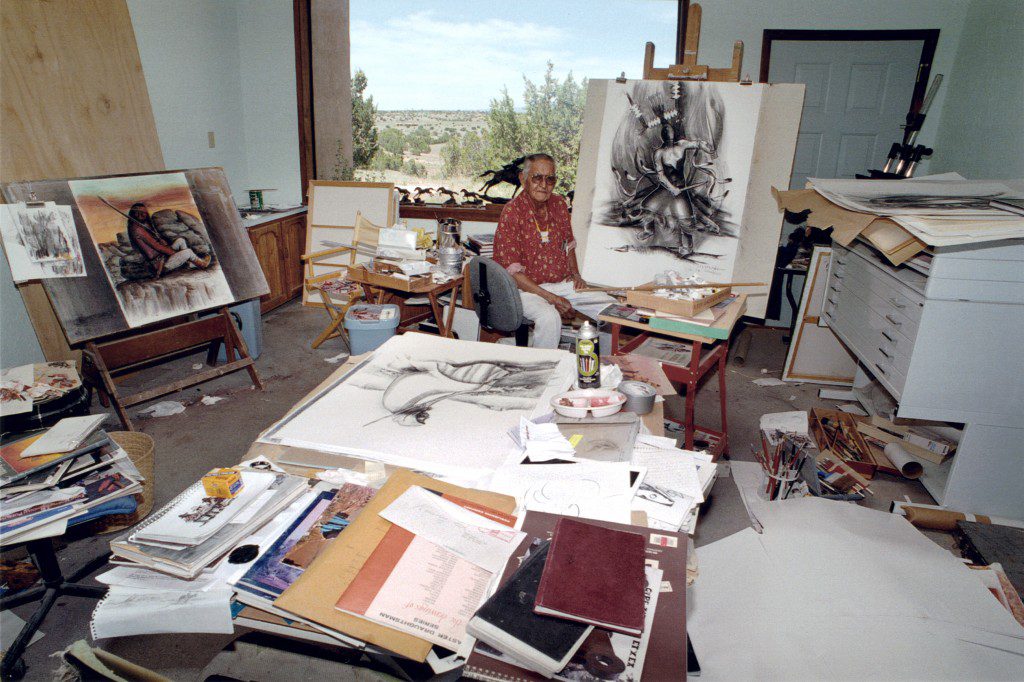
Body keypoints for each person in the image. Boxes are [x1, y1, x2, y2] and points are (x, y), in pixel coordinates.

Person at [493, 153, 615, 348]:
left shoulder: (558, 204)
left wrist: (575, 274)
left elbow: (568, 245)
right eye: (537, 177)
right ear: (523, 179)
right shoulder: (512, 211)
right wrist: (552, 299)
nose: (544, 184)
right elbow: (514, 274)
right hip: (524, 290)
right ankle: (545, 373)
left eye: (550, 179)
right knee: (549, 318)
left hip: (560, 284)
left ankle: (608, 368)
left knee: (612, 310)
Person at [125, 202, 211, 278]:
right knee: (187, 252)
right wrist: (173, 252)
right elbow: (157, 247)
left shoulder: (142, 226)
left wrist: (161, 241)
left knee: (180, 240)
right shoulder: (137, 229)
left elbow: (157, 243)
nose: (141, 215)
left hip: (162, 256)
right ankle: (202, 264)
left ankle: (188, 264)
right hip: (159, 264)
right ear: (133, 214)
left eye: (143, 213)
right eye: (137, 213)